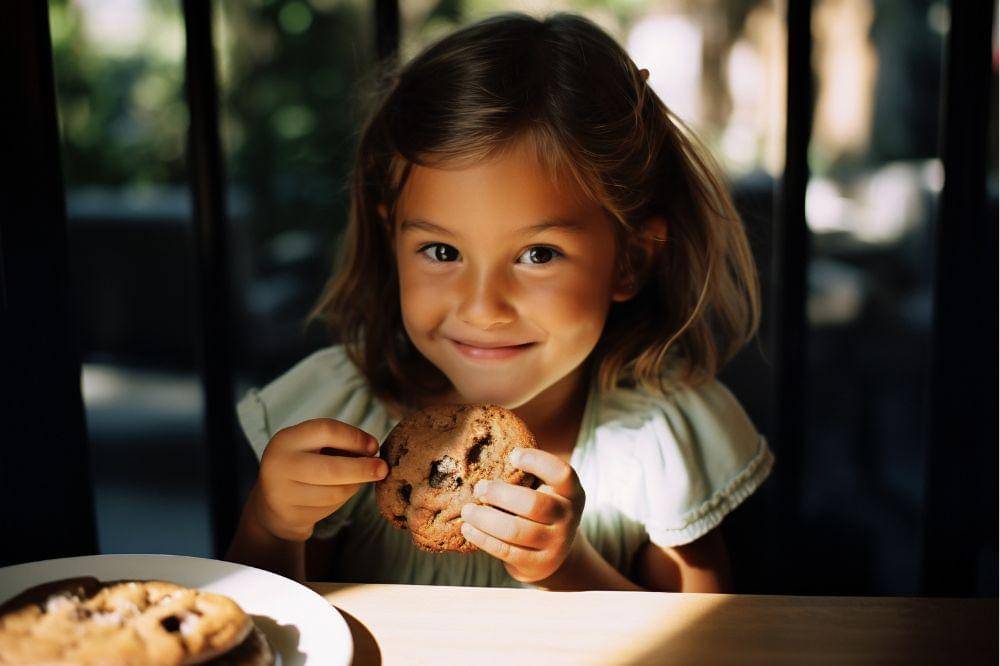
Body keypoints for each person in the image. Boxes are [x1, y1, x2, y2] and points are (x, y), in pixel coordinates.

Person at [225, 12, 774, 592]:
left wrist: (567, 567)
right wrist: (273, 523)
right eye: (441, 250)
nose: (483, 308)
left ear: (630, 259)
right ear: (393, 241)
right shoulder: (343, 415)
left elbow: (701, 641)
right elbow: (265, 624)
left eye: (538, 255)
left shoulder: (657, 440)